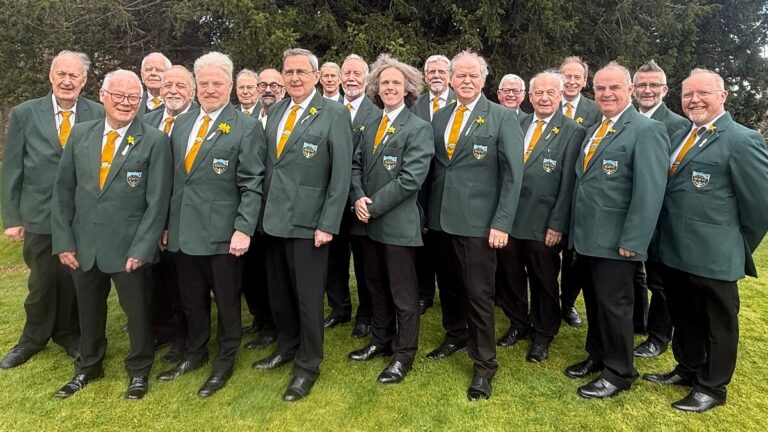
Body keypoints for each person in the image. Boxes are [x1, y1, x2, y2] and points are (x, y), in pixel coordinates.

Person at [643, 69, 768, 412]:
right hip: (675, 251)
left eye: (702, 93)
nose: (694, 100)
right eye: (687, 95)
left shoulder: (742, 139)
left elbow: (759, 206)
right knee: (684, 315)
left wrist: (732, 244)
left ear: (723, 96)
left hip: (714, 255)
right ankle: (687, 368)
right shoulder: (684, 134)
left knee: (717, 323)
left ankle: (712, 388)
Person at [51, 69, 172, 400]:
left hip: (129, 249)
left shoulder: (155, 141)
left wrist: (143, 248)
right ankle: (88, 366)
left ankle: (138, 369)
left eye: (133, 97)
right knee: (88, 311)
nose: (126, 103)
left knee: (138, 314)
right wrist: (63, 242)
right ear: (102, 96)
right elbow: (62, 193)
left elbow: (157, 201)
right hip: (84, 245)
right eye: (118, 95)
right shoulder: (80, 135)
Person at [156, 52, 265, 398]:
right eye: (204, 83)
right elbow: (174, 183)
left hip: (223, 234)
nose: (210, 89)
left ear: (230, 86)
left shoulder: (245, 126)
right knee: (192, 299)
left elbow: (252, 182)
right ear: (196, 88)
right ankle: (196, 352)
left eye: (217, 83)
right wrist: (166, 225)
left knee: (228, 302)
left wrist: (244, 228)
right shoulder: (183, 124)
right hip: (184, 232)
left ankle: (225, 360)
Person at [253, 48, 352, 402]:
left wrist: (328, 223)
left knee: (309, 299)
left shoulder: (334, 113)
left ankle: (307, 365)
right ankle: (286, 346)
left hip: (311, 224)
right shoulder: (276, 109)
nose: (294, 78)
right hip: (274, 219)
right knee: (279, 292)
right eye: (288, 72)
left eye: (300, 72)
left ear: (315, 76)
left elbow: (340, 176)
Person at [565, 62, 668, 399]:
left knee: (615, 307)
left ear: (630, 90)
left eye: (614, 88)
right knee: (594, 304)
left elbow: (649, 191)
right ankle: (597, 355)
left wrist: (634, 241)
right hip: (588, 238)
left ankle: (620, 372)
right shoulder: (597, 126)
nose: (606, 94)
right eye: (600, 89)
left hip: (616, 242)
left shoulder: (644, 129)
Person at [425, 51, 523, 400]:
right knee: (449, 287)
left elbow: (514, 176)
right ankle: (454, 334)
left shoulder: (501, 117)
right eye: (459, 75)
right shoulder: (440, 117)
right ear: (450, 79)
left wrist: (502, 223)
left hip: (479, 226)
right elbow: (435, 170)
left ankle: (484, 366)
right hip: (440, 221)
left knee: (479, 295)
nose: (466, 81)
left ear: (484, 80)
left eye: (473, 75)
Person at [1, 50, 103, 369]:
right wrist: (12, 218)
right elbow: (12, 167)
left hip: (80, 216)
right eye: (62, 74)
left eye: (74, 76)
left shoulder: (99, 113)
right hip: (40, 214)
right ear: (51, 76)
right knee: (41, 281)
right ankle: (32, 338)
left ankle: (69, 334)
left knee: (75, 279)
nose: (67, 81)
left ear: (84, 81)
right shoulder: (24, 113)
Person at [347, 54, 434, 384]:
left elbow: (411, 179)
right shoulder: (370, 124)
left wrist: (372, 206)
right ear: (377, 88)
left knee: (403, 294)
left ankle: (404, 354)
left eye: (396, 82)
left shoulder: (418, 128)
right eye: (385, 83)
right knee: (375, 287)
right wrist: (357, 197)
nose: (390, 87)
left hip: (395, 224)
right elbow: (354, 166)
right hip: (367, 224)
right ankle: (381, 342)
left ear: (407, 88)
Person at [495, 71, 584, 363]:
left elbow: (569, 183)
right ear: (529, 96)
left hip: (543, 223)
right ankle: (518, 323)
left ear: (560, 96)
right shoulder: (515, 122)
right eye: (538, 93)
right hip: (511, 220)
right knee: (510, 276)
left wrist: (557, 223)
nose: (544, 98)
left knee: (544, 280)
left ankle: (543, 334)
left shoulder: (572, 131)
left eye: (550, 93)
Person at [630, 59, 690, 358]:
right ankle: (636, 323)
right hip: (630, 214)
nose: (647, 90)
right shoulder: (626, 120)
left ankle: (658, 336)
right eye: (641, 85)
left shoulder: (678, 125)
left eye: (653, 85)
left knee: (659, 280)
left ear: (665, 89)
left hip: (662, 218)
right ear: (633, 89)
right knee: (631, 274)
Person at [144, 64, 198, 364]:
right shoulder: (147, 120)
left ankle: (184, 336)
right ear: (159, 89)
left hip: (182, 215)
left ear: (191, 91)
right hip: (150, 214)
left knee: (183, 283)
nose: (173, 90)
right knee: (156, 278)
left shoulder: (197, 123)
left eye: (180, 85)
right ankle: (161, 328)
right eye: (168, 85)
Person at [323, 54, 380, 338]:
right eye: (347, 73)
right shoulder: (328, 110)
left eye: (357, 73)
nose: (351, 78)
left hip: (360, 200)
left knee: (364, 261)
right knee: (333, 258)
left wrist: (359, 195)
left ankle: (365, 315)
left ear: (367, 79)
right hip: (331, 199)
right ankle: (339, 308)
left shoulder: (376, 113)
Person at [411, 54, 456, 315]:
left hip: (449, 180)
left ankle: (451, 293)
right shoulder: (417, 104)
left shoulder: (458, 103)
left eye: (441, 71)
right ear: (426, 76)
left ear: (449, 75)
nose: (436, 75)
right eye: (431, 71)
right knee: (424, 240)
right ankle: (424, 293)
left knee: (446, 245)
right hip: (421, 181)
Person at [558, 56, 601, 328]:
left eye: (577, 77)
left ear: (584, 81)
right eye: (566, 76)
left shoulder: (595, 110)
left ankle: (568, 303)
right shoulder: (545, 103)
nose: (571, 81)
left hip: (579, 192)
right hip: (547, 192)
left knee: (574, 257)